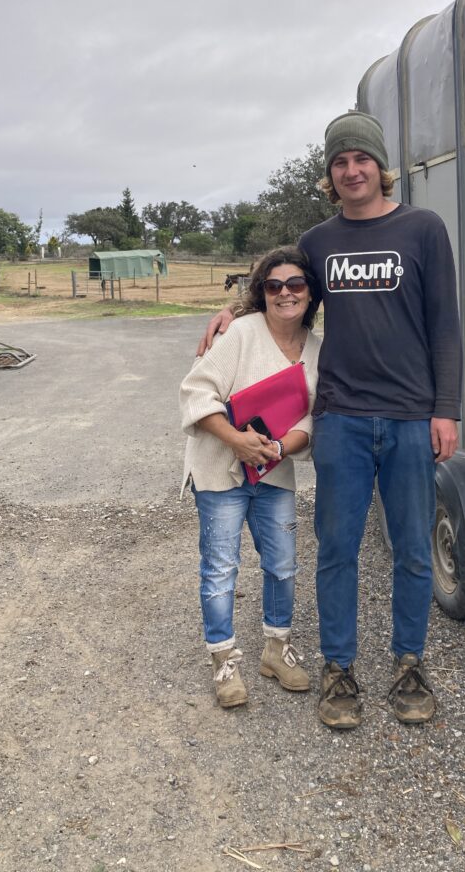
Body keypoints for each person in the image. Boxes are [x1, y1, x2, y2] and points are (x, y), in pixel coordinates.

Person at [199, 112, 462, 729]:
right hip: (339, 417)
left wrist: (445, 409)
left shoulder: (423, 229)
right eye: (340, 162)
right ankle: (338, 670)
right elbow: (280, 287)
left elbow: (445, 325)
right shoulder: (319, 242)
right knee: (337, 550)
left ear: (380, 167)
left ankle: (408, 663)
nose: (351, 171)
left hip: (407, 417)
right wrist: (229, 311)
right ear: (330, 174)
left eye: (361, 159)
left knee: (413, 551)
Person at [180, 247, 321, 709]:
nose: (285, 293)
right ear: (262, 291)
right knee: (220, 568)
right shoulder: (241, 332)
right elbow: (197, 391)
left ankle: (276, 650)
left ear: (310, 291)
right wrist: (236, 441)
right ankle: (224, 659)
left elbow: (312, 418)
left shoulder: (318, 350)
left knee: (282, 562)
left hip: (273, 470)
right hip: (220, 467)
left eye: (295, 284)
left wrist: (279, 448)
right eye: (274, 285)